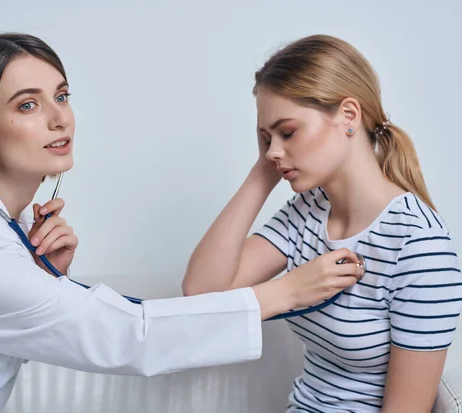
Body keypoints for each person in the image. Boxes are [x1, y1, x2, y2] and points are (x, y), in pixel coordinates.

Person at [0, 33, 364, 412]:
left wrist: (45, 281)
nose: (60, 119)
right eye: (28, 105)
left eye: (61, 95)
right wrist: (284, 294)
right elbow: (131, 335)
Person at [182, 34, 462, 412]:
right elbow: (201, 295)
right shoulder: (309, 210)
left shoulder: (420, 247)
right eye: (266, 138)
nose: (275, 150)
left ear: (348, 115)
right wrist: (263, 171)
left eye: (288, 132)